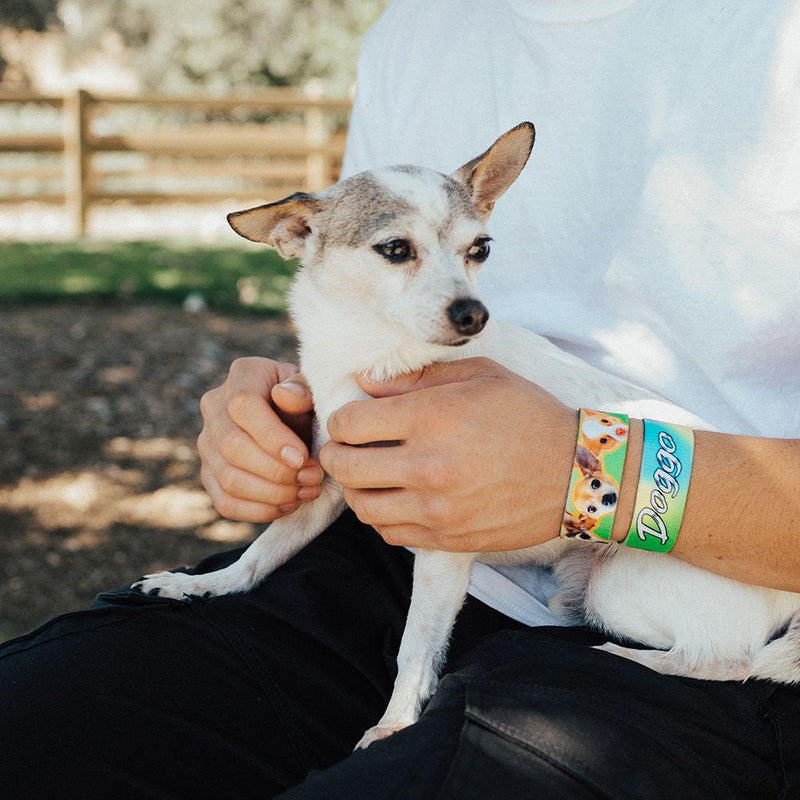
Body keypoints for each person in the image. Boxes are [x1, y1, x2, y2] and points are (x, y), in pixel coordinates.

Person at [2, 1, 799, 797]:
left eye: (472, 252)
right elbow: (368, 299)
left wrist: (588, 472)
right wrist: (296, 418)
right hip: (391, 563)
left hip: (706, 598)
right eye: (402, 251)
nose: (459, 285)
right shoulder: (415, 32)